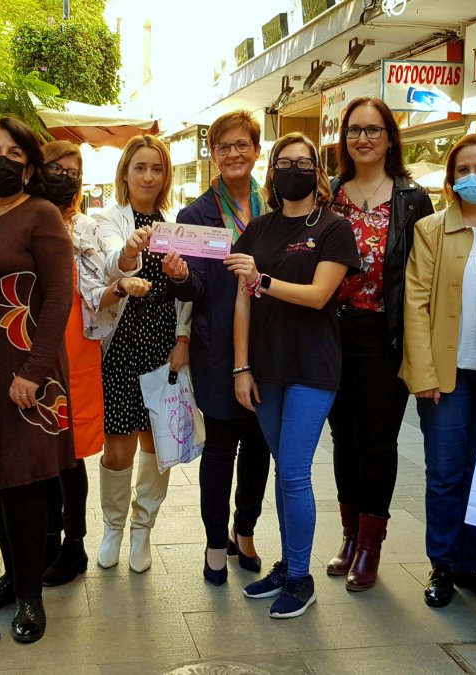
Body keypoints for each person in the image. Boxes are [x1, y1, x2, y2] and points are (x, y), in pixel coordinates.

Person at [231, 132, 361, 619]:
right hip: (265, 367)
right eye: (284, 162)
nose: (293, 170)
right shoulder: (259, 228)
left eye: (303, 163)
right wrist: (241, 367)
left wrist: (262, 279)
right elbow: (241, 302)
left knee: (293, 472)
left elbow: (319, 295)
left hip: (312, 365)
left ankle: (301, 577)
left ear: (317, 172)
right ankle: (288, 566)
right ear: (273, 173)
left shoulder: (332, 227)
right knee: (284, 471)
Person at [0, 116, 75, 644]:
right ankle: (12, 577)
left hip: (29, 368)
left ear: (27, 167)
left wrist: (33, 371)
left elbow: (59, 300)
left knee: (25, 479)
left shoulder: (41, 215)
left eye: (13, 154)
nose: (0, 160)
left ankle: (31, 596)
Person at [402, 133, 476, 608]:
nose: (474, 178)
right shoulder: (431, 229)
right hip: (447, 374)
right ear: (451, 180)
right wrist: (423, 372)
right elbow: (416, 303)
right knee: (446, 473)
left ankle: (472, 561)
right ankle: (443, 564)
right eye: (464, 170)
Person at [324, 97, 434, 591]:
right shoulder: (328, 194)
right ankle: (349, 536)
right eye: (353, 131)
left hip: (383, 335)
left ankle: (371, 546)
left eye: (372, 130)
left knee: (376, 441)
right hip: (328, 334)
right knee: (341, 438)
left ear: (390, 137)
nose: (362, 138)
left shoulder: (413, 198)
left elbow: (424, 277)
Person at [162, 111, 271, 586]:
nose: (234, 154)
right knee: (223, 445)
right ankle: (213, 540)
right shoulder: (196, 217)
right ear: (213, 154)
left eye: (242, 144)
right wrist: (183, 277)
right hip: (218, 350)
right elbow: (197, 290)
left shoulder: (278, 206)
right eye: (224, 146)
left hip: (272, 346)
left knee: (261, 444)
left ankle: (244, 530)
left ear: (255, 149)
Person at [90, 135, 187, 574]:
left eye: (156, 168)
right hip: (120, 343)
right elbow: (112, 261)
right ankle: (112, 526)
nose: (148, 176)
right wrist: (131, 250)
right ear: (125, 173)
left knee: (159, 442)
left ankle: (143, 527)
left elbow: (187, 293)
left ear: (165, 176)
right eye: (140, 167)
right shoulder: (106, 219)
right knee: (117, 446)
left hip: (164, 343)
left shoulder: (177, 224)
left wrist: (183, 340)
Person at [37, 140, 107, 585]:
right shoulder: (22, 219)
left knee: (69, 453)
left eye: (73, 170)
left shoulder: (87, 228)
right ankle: (44, 540)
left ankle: (74, 544)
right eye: (55, 168)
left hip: (77, 346)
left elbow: (102, 286)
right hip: (30, 346)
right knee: (38, 451)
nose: (64, 177)